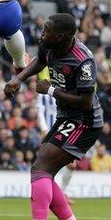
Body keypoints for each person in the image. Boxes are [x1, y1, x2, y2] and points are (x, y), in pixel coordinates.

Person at [5, 13, 103, 220]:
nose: (42, 33)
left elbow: (87, 103)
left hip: (85, 121)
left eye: (47, 30)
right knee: (44, 171)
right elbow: (40, 60)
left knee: (41, 168)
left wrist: (50, 91)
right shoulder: (48, 46)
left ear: (61, 37)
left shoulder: (82, 61)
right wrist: (18, 80)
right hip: (66, 117)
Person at [36, 67, 76, 205]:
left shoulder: (63, 92)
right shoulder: (43, 94)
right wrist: (43, 129)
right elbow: (40, 111)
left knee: (71, 165)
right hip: (49, 131)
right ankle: (52, 196)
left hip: (64, 131)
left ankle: (62, 193)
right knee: (50, 164)